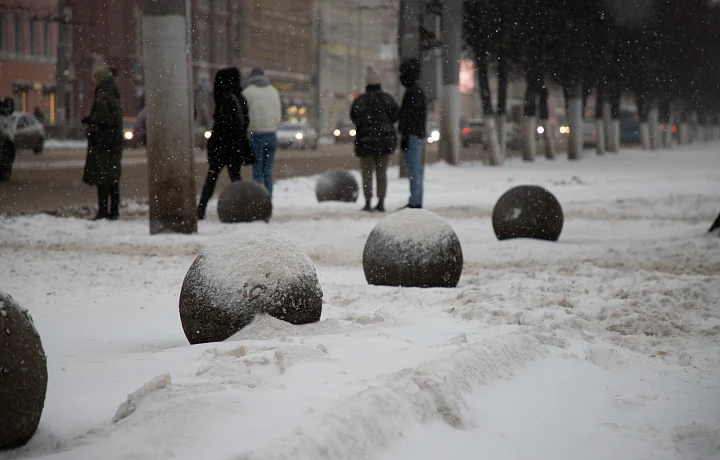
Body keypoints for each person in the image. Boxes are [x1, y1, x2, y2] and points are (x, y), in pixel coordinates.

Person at [197, 67, 253, 220]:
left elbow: (222, 124)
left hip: (222, 146)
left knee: (212, 177)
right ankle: (243, 207)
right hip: (235, 146)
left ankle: (201, 209)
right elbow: (245, 122)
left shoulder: (224, 99)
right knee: (235, 177)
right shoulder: (239, 98)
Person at [350, 64, 399, 212]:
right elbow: (395, 117)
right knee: (381, 173)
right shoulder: (388, 99)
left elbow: (354, 117)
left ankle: (367, 201)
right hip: (384, 143)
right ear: (379, 83)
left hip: (365, 143)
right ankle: (381, 201)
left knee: (367, 173)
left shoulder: (360, 100)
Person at [81, 67, 124, 220]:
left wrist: (91, 120)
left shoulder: (104, 93)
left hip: (104, 142)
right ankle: (113, 210)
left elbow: (105, 118)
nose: (93, 81)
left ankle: (104, 211)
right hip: (112, 142)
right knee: (112, 178)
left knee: (103, 178)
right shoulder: (112, 91)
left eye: (94, 78)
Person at [242, 68, 281, 197]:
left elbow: (243, 114)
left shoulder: (248, 92)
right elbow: (278, 113)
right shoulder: (273, 91)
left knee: (257, 171)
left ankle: (257, 201)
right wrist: (273, 125)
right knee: (268, 172)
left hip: (256, 134)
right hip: (271, 134)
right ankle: (268, 200)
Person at [398, 58, 427, 209]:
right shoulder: (414, 91)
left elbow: (409, 116)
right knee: (413, 168)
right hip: (413, 135)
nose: (400, 76)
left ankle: (415, 201)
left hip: (413, 136)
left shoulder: (413, 92)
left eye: (402, 72)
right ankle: (415, 199)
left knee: (413, 169)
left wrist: (406, 134)